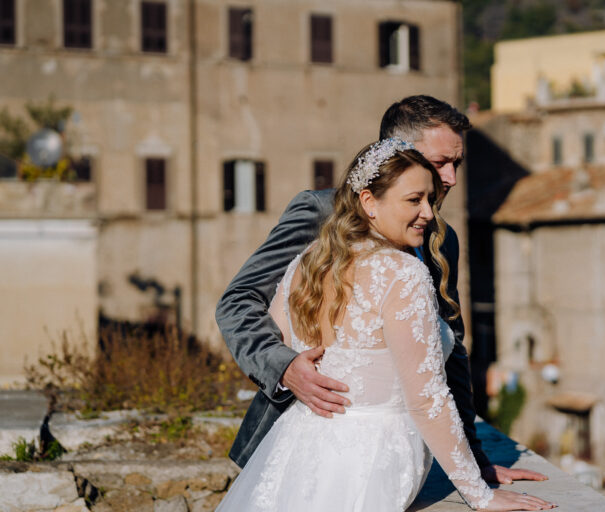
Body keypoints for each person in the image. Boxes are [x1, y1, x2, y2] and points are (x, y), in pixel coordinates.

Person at [216, 95, 546, 485]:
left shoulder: (445, 239)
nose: (452, 178)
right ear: (397, 154)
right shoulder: (321, 212)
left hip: (393, 463)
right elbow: (238, 301)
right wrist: (284, 367)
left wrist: (471, 459)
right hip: (293, 442)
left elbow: (449, 351)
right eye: (440, 162)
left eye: (456, 163)